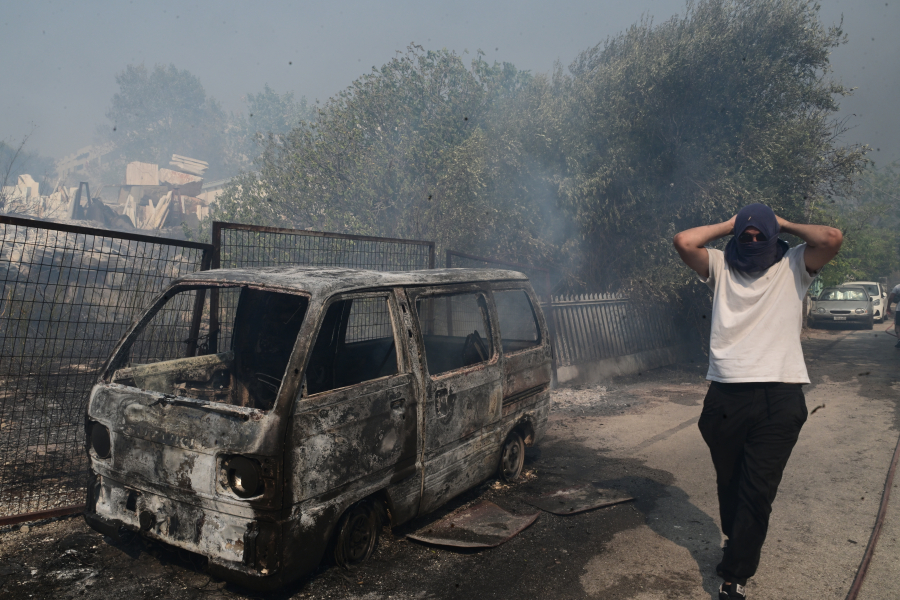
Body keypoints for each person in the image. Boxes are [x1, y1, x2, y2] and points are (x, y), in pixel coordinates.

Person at [673, 203, 842, 600]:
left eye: (759, 236)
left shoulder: (794, 264)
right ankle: (738, 540)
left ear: (774, 238)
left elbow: (831, 238)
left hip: (779, 397)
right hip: (725, 396)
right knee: (730, 485)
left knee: (757, 491)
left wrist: (779, 221)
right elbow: (684, 241)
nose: (751, 241)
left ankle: (734, 577)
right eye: (744, 237)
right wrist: (735, 223)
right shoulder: (720, 265)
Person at [885, 282, 900, 348]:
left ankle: (899, 340)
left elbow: (891, 297)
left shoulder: (898, 287)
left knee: (897, 326)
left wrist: (888, 307)